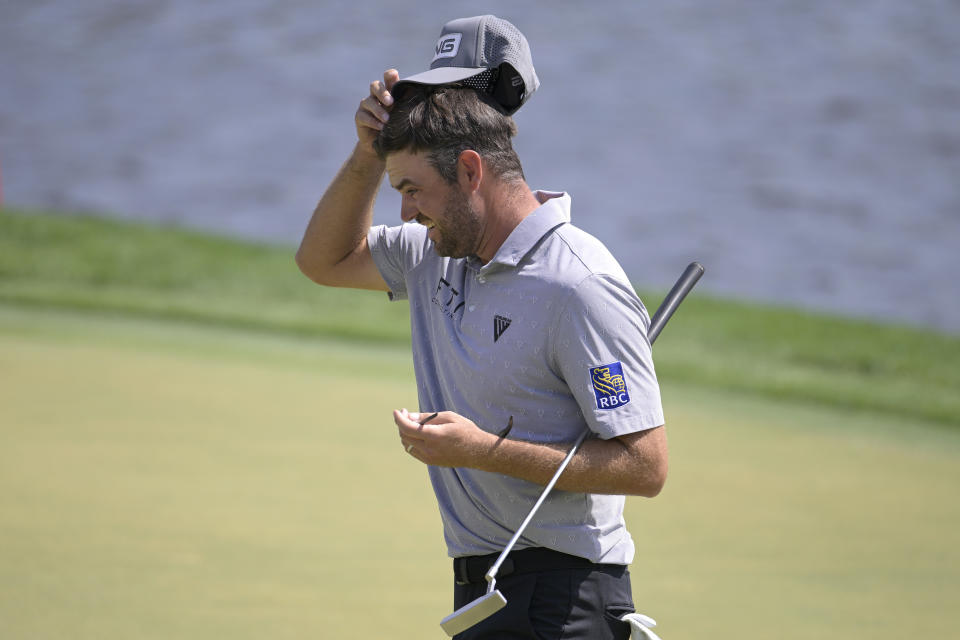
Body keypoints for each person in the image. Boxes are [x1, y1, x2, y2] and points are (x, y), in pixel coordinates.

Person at [296, 15, 667, 640]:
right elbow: (324, 260)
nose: (406, 212)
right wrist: (367, 155)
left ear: (471, 170)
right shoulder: (433, 252)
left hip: (567, 599)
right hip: (486, 591)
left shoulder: (577, 283)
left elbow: (644, 465)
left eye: (413, 189)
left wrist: (480, 451)